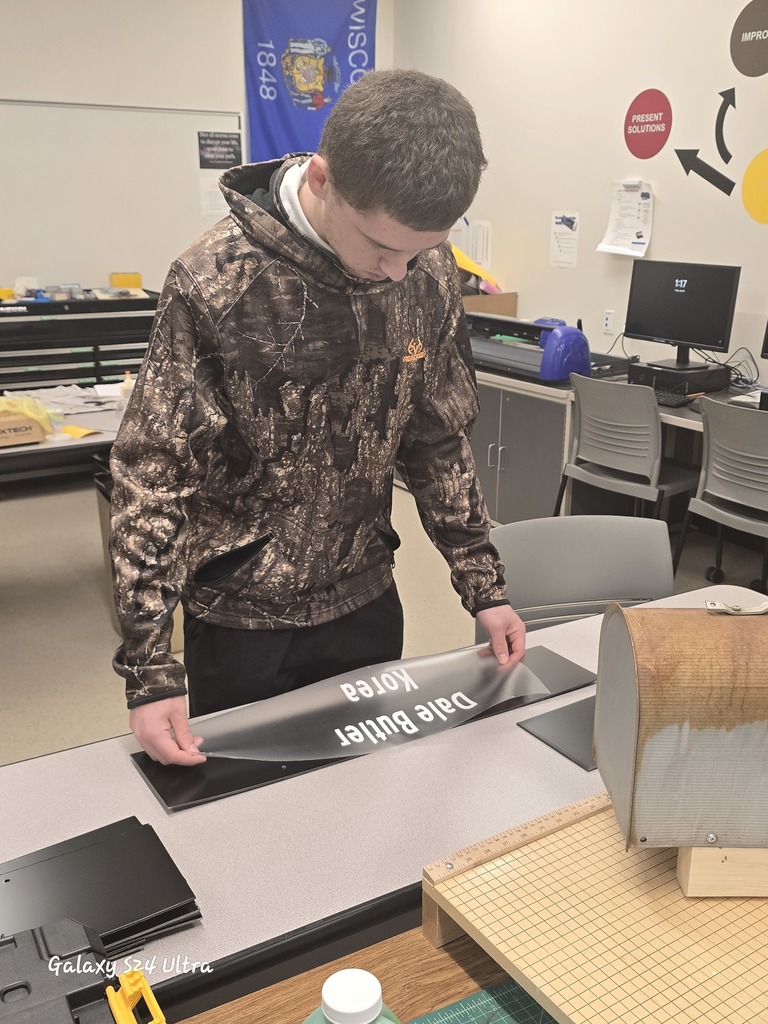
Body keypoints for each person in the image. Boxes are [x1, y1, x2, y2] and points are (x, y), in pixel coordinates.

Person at [109, 67, 526, 767]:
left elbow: (436, 438)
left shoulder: (424, 272)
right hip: (241, 620)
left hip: (366, 599)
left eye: (420, 250)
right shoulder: (215, 281)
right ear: (324, 180)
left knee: (366, 792)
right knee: (245, 812)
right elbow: (154, 474)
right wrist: (151, 669)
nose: (399, 272)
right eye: (383, 248)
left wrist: (483, 587)